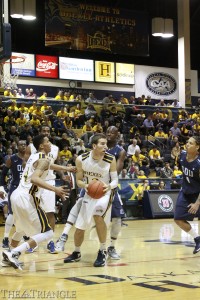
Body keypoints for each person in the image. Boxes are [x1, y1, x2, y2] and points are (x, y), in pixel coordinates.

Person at [55, 126, 126, 260]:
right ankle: (76, 252)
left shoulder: (111, 158)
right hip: (89, 191)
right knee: (80, 225)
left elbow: (115, 180)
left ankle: (103, 250)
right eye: (102, 144)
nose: (105, 147)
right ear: (94, 146)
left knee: (99, 215)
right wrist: (86, 185)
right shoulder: (81, 159)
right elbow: (79, 181)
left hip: (106, 192)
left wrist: (108, 186)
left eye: (106, 144)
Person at [2, 134, 68, 271]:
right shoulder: (42, 158)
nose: (50, 144)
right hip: (28, 198)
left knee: (20, 230)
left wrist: (66, 169)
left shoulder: (35, 156)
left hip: (16, 195)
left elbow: (48, 166)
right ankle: (15, 253)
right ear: (42, 146)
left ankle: (6, 257)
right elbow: (35, 179)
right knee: (48, 233)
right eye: (48, 142)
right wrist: (55, 189)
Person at [25, 125, 76, 254]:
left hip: (49, 182)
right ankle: (33, 241)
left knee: (50, 212)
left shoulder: (55, 148)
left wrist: (64, 171)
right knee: (33, 214)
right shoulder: (32, 147)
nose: (46, 132)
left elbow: (50, 164)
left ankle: (50, 241)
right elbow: (27, 164)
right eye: (44, 131)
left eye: (48, 131)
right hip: (35, 182)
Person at [174, 136, 200, 254]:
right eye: (187, 142)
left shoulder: (199, 163)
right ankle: (197, 239)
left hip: (197, 195)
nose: (187, 144)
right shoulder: (182, 156)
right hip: (185, 192)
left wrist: (197, 203)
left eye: (191, 143)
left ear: (197, 147)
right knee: (178, 219)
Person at [1, 140, 27, 249]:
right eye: (21, 144)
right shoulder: (12, 159)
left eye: (25, 144)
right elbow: (2, 174)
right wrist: (1, 188)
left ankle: (25, 234)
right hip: (15, 188)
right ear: (17, 146)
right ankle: (6, 238)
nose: (23, 146)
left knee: (25, 213)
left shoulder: (29, 159)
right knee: (12, 214)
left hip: (26, 189)